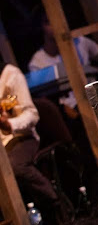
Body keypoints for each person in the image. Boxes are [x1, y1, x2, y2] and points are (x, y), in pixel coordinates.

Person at [1, 62, 65, 224]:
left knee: (15, 166)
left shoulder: (11, 75)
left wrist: (10, 124)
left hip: (21, 138)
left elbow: (31, 114)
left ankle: (54, 204)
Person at [29, 16, 98, 114]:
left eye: (54, 20)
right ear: (42, 26)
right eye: (48, 22)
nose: (53, 26)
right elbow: (45, 100)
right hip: (71, 110)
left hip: (96, 98)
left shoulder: (79, 41)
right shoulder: (37, 63)